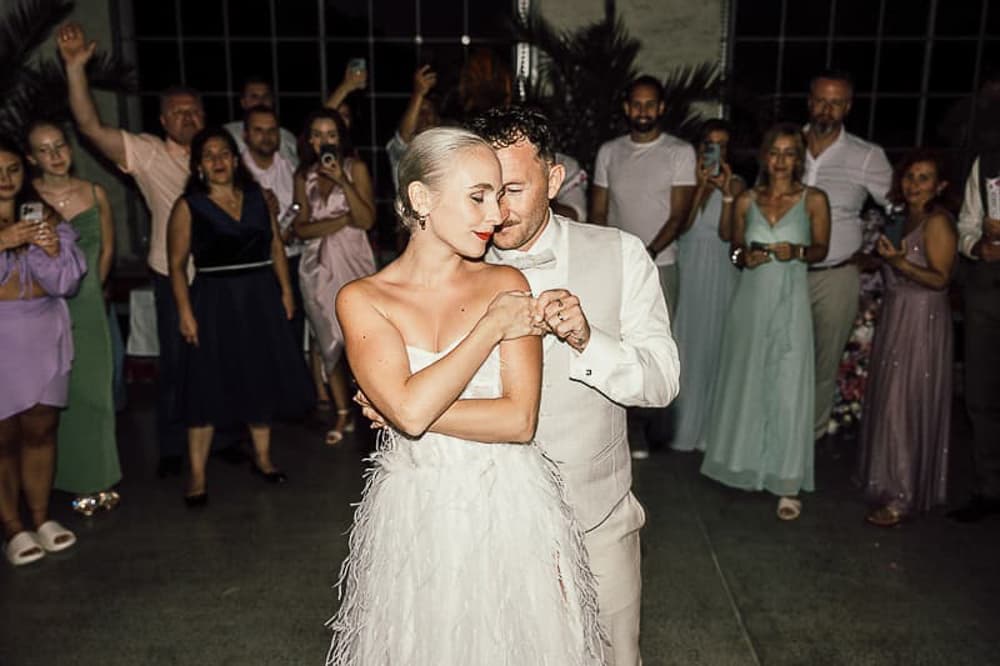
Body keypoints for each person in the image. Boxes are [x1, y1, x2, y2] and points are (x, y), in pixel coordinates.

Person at [327, 127, 606, 664]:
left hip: (509, 502)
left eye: (500, 194)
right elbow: (408, 412)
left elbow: (517, 419)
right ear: (421, 199)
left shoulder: (508, 284)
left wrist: (407, 403)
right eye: (478, 196)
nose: (497, 214)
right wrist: (489, 330)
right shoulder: (362, 298)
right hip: (416, 509)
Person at [469, 106, 679, 664]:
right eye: (484, 191)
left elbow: (662, 381)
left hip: (596, 518)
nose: (497, 209)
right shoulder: (451, 266)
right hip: (481, 520)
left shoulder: (620, 253)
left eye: (514, 188)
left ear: (555, 179)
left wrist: (591, 342)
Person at [58, 22, 203, 477]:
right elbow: (89, 126)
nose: (187, 118)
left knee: (218, 361)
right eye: (178, 112)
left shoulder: (221, 155)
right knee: (175, 365)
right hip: (170, 271)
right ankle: (172, 447)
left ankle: (224, 438)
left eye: (194, 111)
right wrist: (76, 69)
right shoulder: (147, 152)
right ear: (163, 120)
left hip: (219, 274)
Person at [166, 128, 314, 506]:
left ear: (235, 160)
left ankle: (263, 458)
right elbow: (176, 263)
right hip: (213, 300)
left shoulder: (258, 198)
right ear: (199, 165)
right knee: (205, 382)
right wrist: (185, 312)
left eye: (223, 153)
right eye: (209, 155)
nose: (217, 161)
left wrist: (284, 291)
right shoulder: (189, 206)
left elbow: (276, 247)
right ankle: (197, 474)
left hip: (259, 297)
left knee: (258, 374)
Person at [700, 124, 831, 521]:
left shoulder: (814, 200)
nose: (781, 160)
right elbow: (735, 251)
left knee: (788, 384)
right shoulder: (745, 199)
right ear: (763, 156)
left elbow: (821, 249)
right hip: (752, 301)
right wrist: (747, 258)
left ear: (800, 159)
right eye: (775, 151)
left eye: (790, 152)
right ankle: (743, 464)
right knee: (750, 378)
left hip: (790, 301)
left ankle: (786, 480)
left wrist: (799, 250)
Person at [591, 75, 696, 457]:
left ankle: (657, 434)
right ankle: (620, 432)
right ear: (626, 108)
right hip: (615, 266)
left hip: (660, 263)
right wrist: (608, 257)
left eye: (650, 104)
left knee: (654, 346)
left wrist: (645, 255)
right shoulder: (610, 151)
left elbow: (680, 216)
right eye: (636, 104)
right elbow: (599, 211)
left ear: (662, 108)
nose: (643, 111)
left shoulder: (679, 152)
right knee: (614, 345)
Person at [855, 151, 956, 527]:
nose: (915, 184)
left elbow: (941, 278)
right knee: (890, 399)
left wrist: (899, 264)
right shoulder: (904, 218)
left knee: (905, 401)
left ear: (940, 186)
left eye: (925, 178)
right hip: (898, 315)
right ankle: (890, 480)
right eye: (911, 176)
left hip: (921, 320)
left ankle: (902, 496)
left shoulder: (937, 222)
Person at [26, 120, 120, 514]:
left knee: (97, 393)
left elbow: (107, 251)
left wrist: (91, 293)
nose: (56, 155)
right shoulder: (27, 199)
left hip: (90, 304)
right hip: (43, 309)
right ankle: (58, 480)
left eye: (60, 146)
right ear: (32, 158)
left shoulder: (95, 193)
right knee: (52, 400)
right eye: (45, 150)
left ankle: (97, 479)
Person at [0, 138, 87, 565]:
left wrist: (51, 250)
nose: (5, 180)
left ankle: (40, 516)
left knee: (41, 428)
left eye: (13, 169)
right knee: (3, 437)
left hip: (44, 331)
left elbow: (66, 284)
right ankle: (13, 526)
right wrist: (3, 240)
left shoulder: (47, 218)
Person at [803, 70, 892, 443]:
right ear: (810, 101)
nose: (827, 109)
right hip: (782, 274)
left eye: (836, 102)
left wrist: (876, 255)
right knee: (780, 357)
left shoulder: (867, 155)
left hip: (836, 274)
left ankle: (809, 440)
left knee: (825, 364)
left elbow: (899, 209)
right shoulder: (786, 144)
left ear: (848, 106)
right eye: (822, 100)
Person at [293, 110, 375, 445]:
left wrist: (342, 181)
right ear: (309, 139)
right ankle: (342, 411)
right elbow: (301, 228)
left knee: (363, 338)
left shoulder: (356, 168)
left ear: (340, 137)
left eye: (331, 133)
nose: (325, 140)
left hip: (354, 263)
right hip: (316, 268)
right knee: (327, 341)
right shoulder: (303, 175)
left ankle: (372, 408)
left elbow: (367, 220)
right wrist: (341, 221)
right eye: (317, 133)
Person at [671, 119, 745, 452]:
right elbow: (681, 227)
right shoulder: (688, 183)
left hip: (719, 270)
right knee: (684, 343)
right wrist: (700, 187)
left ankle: (710, 434)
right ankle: (680, 430)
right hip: (687, 268)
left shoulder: (738, 184)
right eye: (709, 144)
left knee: (715, 346)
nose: (714, 151)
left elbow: (729, 237)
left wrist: (726, 196)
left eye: (722, 145)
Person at [949, 149, 1000, 522]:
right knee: (980, 394)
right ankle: (988, 488)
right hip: (987, 289)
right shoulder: (988, 163)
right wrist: (975, 244)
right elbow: (965, 223)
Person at [240, 105, 305, 347]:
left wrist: (294, 229)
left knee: (292, 333)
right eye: (258, 130)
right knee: (255, 337)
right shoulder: (236, 173)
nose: (266, 136)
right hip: (255, 264)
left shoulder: (292, 166)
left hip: (292, 259)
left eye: (271, 130)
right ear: (246, 134)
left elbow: (304, 212)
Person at [386, 65, 441, 193]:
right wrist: (419, 93)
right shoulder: (402, 151)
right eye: (420, 112)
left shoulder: (447, 148)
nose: (425, 116)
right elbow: (404, 135)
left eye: (429, 111)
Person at [223, 76, 298, 164]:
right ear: (243, 102)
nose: (261, 101)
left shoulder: (287, 137)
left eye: (266, 96)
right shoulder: (228, 134)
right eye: (254, 97)